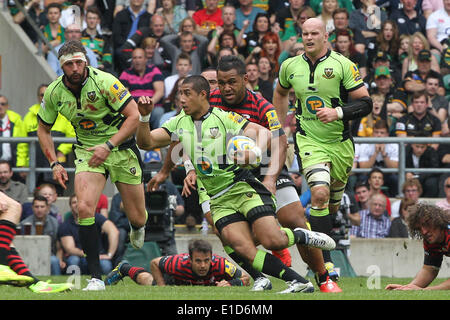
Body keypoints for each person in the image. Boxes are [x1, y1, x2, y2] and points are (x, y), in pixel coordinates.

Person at [136, 75, 336, 293]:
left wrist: (255, 151)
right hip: (217, 198)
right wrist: (145, 118)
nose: (181, 99)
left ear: (203, 95)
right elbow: (146, 142)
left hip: (242, 187)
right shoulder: (177, 123)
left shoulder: (224, 118)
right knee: (243, 249)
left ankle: (303, 236)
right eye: (179, 94)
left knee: (273, 241)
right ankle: (298, 281)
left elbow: (264, 133)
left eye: (187, 93)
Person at [37, 40, 148, 291]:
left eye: (79, 62)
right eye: (69, 64)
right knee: (85, 208)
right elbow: (43, 129)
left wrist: (108, 146)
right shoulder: (54, 92)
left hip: (120, 148)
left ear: (86, 61)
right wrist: (54, 162)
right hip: (87, 152)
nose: (75, 68)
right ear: (61, 67)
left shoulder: (106, 81)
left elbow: (134, 116)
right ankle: (96, 278)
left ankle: (138, 227)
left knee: (138, 217)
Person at [274, 17, 372, 282]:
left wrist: (338, 112)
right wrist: (280, 129)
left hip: (340, 146)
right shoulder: (289, 66)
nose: (308, 38)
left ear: (325, 36)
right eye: (305, 33)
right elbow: (281, 93)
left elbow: (366, 104)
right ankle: (325, 265)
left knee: (329, 206)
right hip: (308, 140)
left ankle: (319, 251)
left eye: (314, 33)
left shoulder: (343, 65)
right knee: (318, 193)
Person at [0, 191, 73, 292]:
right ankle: (2, 267)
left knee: (4, 242)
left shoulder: (53, 222)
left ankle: (33, 282)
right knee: (12, 208)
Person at [105, 238, 250, 286]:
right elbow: (155, 263)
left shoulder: (220, 264)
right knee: (149, 281)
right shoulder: (178, 263)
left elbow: (246, 278)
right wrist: (161, 288)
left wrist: (230, 283)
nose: (203, 265)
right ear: (190, 259)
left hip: (196, 282)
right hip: (175, 279)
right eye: (198, 261)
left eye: (206, 260)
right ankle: (124, 268)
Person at [18, 84, 75, 193]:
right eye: (42, 95)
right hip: (35, 166)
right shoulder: (29, 117)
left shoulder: (63, 114)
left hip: (57, 164)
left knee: (57, 193)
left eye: (47, 94)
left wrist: (62, 151)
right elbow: (22, 144)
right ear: (38, 97)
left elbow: (72, 136)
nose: (44, 97)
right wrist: (21, 164)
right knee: (36, 197)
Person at [385, 203, 450, 290]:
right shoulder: (431, 241)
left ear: (438, 221)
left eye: (427, 224)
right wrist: (408, 287)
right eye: (419, 228)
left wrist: (425, 290)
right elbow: (430, 269)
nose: (424, 232)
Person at [58, 194, 119, 276]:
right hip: (78, 255)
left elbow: (114, 231)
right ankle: (76, 285)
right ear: (70, 206)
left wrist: (109, 254)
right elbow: (70, 249)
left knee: (106, 265)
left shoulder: (96, 217)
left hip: (99, 256)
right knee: (73, 261)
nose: (77, 204)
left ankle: (106, 285)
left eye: (79, 202)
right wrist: (90, 254)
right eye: (74, 202)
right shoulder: (66, 225)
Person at [119, 48, 165, 129]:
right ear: (132, 60)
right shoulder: (126, 73)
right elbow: (124, 95)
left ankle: (157, 139)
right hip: (134, 107)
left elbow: (160, 92)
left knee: (159, 112)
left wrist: (148, 104)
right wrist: (136, 106)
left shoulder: (154, 70)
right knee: (129, 114)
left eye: (140, 57)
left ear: (145, 59)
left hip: (152, 105)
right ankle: (135, 140)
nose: (137, 60)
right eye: (135, 58)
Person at [20, 195, 62, 275]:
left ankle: (58, 281)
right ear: (32, 208)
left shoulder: (54, 223)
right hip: (29, 255)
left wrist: (60, 258)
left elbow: (58, 244)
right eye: (36, 207)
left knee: (54, 261)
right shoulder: (25, 224)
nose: (39, 210)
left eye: (42, 207)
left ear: (47, 208)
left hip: (50, 255)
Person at [357, 120, 399, 197]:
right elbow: (363, 168)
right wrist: (375, 153)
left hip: (387, 174)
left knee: (395, 179)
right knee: (362, 178)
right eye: (376, 132)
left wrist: (384, 154)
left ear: (387, 134)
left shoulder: (394, 145)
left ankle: (394, 199)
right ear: (373, 133)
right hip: (370, 174)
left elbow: (395, 168)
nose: (379, 135)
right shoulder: (365, 144)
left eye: (382, 133)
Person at [81, 6, 113, 72]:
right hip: (83, 69)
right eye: (89, 18)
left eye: (94, 18)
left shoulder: (104, 39)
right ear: (85, 19)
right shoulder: (80, 37)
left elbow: (108, 58)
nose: (92, 21)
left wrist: (103, 65)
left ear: (98, 20)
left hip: (99, 70)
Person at [0, 95, 26, 170]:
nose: (0, 106)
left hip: (13, 163)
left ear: (7, 106)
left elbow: (22, 145)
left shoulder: (17, 121)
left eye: (3, 104)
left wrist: (22, 164)